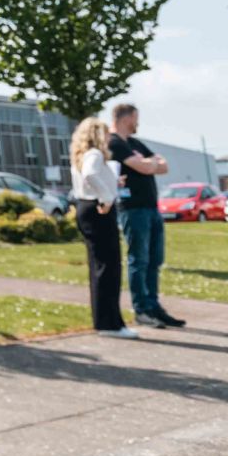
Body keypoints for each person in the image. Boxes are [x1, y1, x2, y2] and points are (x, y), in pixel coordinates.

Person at [107, 102, 184, 329]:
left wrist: (148, 163)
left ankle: (154, 306)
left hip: (151, 208)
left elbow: (162, 165)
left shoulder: (134, 143)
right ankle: (141, 309)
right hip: (133, 210)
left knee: (154, 260)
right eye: (135, 117)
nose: (137, 122)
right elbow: (145, 167)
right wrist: (149, 164)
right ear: (126, 118)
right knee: (139, 260)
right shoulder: (114, 143)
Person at [69, 117, 134, 339]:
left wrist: (112, 184)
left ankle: (106, 320)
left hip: (85, 207)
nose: (109, 138)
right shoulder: (95, 155)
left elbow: (89, 177)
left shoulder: (82, 156)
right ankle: (110, 324)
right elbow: (91, 175)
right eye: (105, 134)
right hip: (98, 210)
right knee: (109, 267)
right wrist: (107, 198)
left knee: (99, 267)